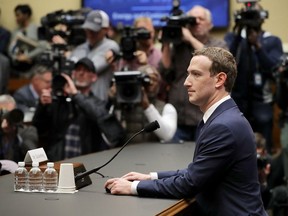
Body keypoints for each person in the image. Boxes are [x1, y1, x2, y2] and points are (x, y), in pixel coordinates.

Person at [104, 47, 267, 215]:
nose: (186, 82)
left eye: (196, 74)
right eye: (188, 74)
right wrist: (151, 177)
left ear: (219, 80)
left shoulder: (223, 126)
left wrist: (132, 187)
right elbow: (198, 171)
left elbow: (190, 184)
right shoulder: (222, 117)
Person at [32, 57, 124, 162]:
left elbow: (103, 119)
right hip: (59, 162)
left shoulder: (99, 103)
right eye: (78, 70)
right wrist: (42, 106)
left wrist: (76, 95)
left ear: (94, 77)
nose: (81, 73)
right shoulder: (60, 102)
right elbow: (38, 127)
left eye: (86, 71)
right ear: (73, 74)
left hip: (87, 163)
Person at [159, 5, 228, 142]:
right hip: (179, 118)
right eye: (193, 19)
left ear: (210, 24)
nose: (196, 22)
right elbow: (165, 70)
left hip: (203, 118)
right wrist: (166, 43)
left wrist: (190, 38)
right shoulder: (179, 46)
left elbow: (217, 62)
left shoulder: (219, 45)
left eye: (201, 19)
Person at [224, 3, 283, 154]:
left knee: (264, 148)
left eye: (254, 15)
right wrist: (238, 33)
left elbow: (273, 69)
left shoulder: (272, 41)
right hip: (237, 101)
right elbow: (226, 62)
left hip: (261, 102)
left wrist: (257, 45)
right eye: (247, 15)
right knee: (235, 146)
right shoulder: (233, 38)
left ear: (263, 18)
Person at [108, 64, 177, 143]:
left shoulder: (167, 108)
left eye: (154, 79)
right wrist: (113, 96)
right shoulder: (124, 101)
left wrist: (147, 107)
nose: (150, 83)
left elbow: (167, 136)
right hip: (128, 151)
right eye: (146, 79)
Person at [69, 10, 120, 101]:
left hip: (99, 103)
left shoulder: (111, 46)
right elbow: (69, 70)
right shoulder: (79, 48)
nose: (91, 33)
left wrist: (73, 61)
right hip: (78, 102)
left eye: (95, 30)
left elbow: (91, 68)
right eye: (88, 29)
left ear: (106, 30)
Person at [8, 4, 47, 73]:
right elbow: (10, 49)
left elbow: (43, 47)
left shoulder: (36, 29)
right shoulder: (15, 31)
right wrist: (17, 58)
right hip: (17, 65)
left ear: (26, 15)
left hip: (33, 65)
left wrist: (27, 57)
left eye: (18, 15)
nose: (16, 18)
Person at [0, 94, 38, 163]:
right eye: (3, 113)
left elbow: (34, 156)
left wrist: (14, 133)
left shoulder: (28, 131)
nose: (9, 117)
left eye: (11, 113)